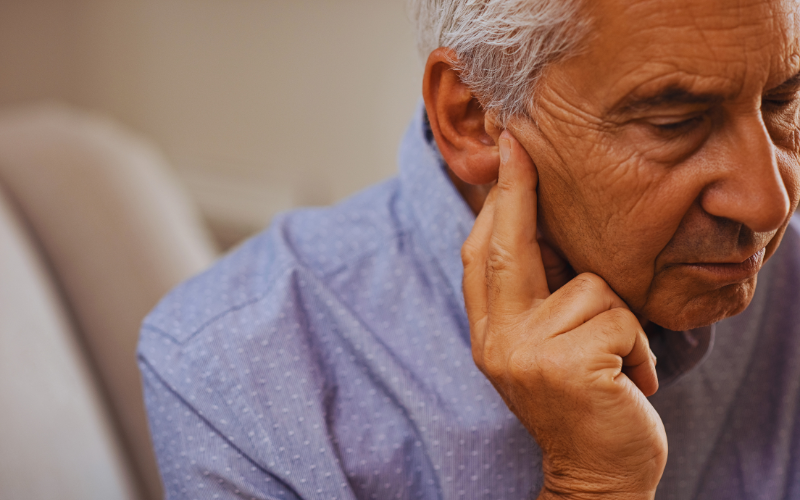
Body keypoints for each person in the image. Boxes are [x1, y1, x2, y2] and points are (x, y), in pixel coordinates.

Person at [138, 0, 800, 498]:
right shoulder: (231, 369)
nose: (767, 203)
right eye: (674, 122)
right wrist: (591, 486)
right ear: (473, 117)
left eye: (782, 102)